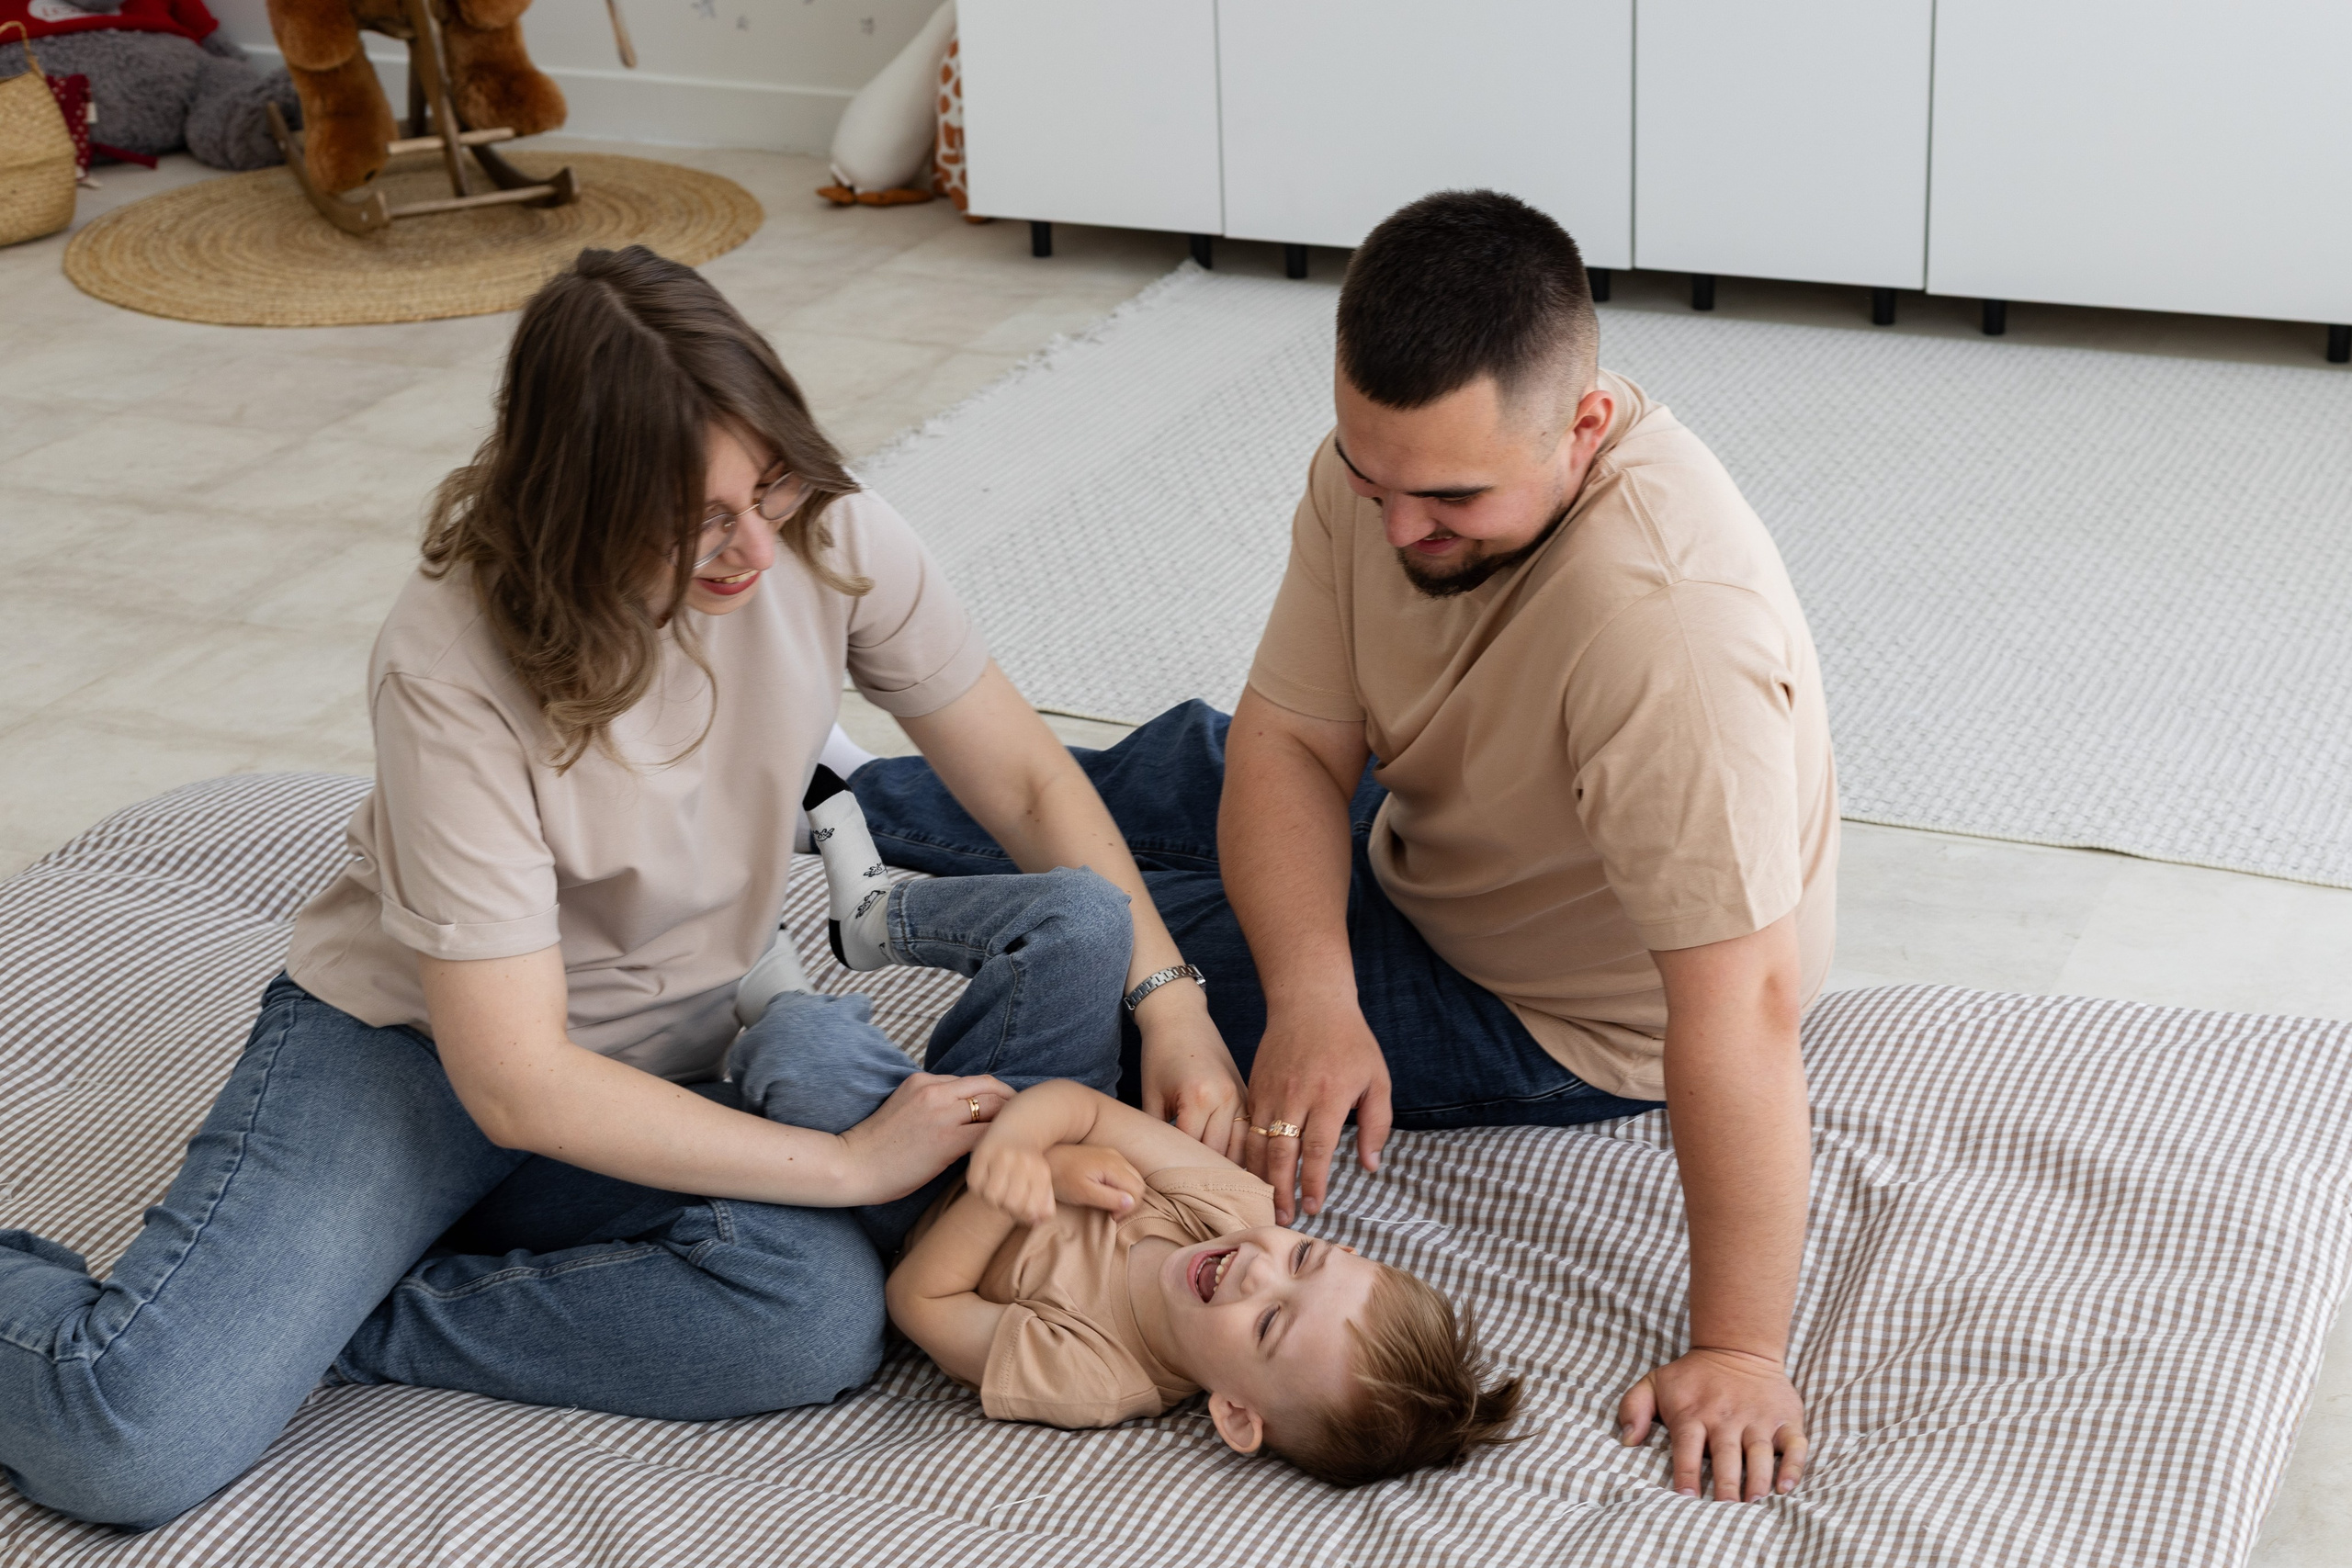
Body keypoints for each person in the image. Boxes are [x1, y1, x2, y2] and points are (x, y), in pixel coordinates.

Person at [0, 245, 1240, 1529]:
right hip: (422, 1061)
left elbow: (1031, 784)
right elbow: (514, 1078)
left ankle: (341, 1315)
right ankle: (256, 1322)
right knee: (126, 1437)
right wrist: (846, 1161)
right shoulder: (448, 658)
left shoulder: (823, 532)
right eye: (698, 517)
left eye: (768, 482)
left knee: (812, 1321)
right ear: (576, 509)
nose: (756, 542)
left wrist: (1172, 996)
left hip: (668, 1070)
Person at [845, 190, 1838, 1504]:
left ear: (1586, 425)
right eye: (1373, 483)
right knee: (1195, 754)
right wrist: (1319, 992)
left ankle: (837, 1023)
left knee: (1124, 982)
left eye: (1450, 499)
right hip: (1444, 817)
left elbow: (1743, 1004)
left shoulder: (1667, 639)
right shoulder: (1386, 474)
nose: (1399, 532)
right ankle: (843, 803)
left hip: (1549, 1002)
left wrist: (1739, 1345)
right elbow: (1294, 745)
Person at [717, 989, 1519, 1486]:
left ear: (1237, 1416)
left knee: (805, 1060)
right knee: (1088, 923)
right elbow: (1080, 1103)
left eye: (1271, 1323)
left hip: (894, 1216)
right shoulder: (1236, 1207)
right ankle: (834, 953)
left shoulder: (1094, 1377)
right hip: (985, 1120)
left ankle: (752, 1034)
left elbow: (918, 1300)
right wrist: (1022, 1139)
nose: (1257, 1271)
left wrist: (1040, 1178)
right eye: (1305, 1257)